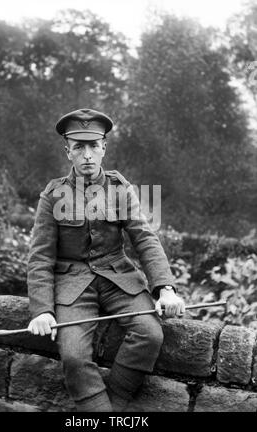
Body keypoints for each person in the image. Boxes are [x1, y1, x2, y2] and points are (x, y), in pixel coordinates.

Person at [27, 108, 185, 412]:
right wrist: (42, 310)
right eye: (78, 147)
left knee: (150, 334)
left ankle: (110, 406)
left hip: (118, 279)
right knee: (73, 355)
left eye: (93, 146)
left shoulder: (120, 188)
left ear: (104, 148)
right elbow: (40, 256)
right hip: (72, 284)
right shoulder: (52, 195)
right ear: (68, 152)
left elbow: (144, 238)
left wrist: (165, 289)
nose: (87, 155)